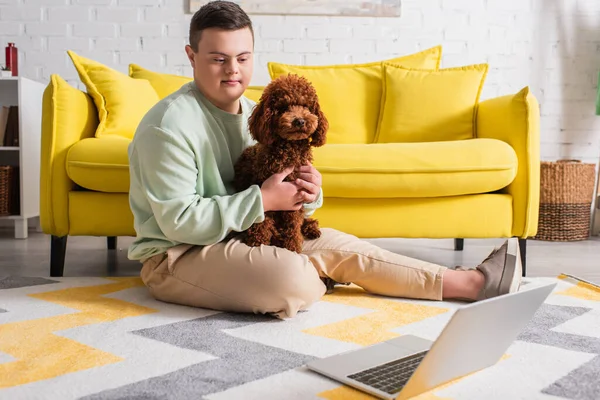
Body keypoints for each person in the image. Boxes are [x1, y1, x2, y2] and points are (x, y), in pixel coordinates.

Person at [127, 0, 523, 319]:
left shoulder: (257, 115)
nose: (234, 70)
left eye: (243, 58)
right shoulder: (168, 125)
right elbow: (178, 222)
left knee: (342, 245)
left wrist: (306, 193)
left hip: (246, 234)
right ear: (191, 56)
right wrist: (264, 201)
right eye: (218, 59)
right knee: (292, 279)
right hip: (179, 255)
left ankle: (472, 283)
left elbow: (275, 186)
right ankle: (309, 275)